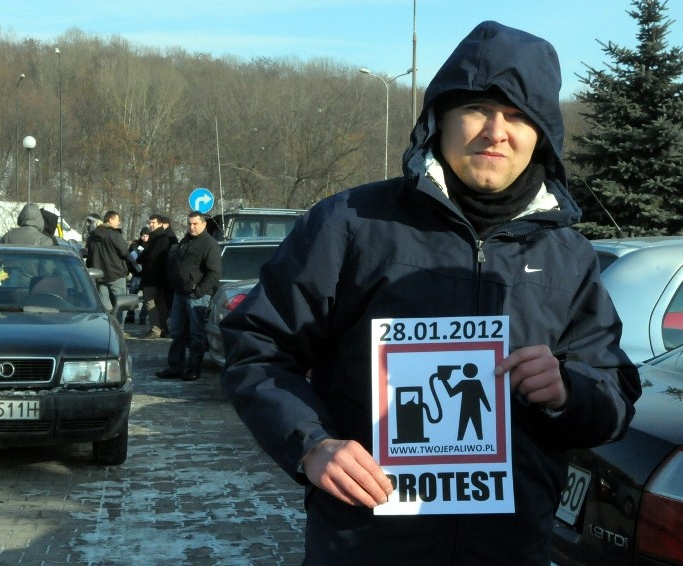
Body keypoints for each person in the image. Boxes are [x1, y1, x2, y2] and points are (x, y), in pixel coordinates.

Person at [219, 21, 641, 565]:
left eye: (517, 115)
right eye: (476, 110)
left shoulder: (569, 255)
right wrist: (311, 444)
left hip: (511, 550)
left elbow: (613, 396)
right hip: (365, 545)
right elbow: (257, 347)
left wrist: (567, 393)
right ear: (438, 119)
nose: (496, 132)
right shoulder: (350, 224)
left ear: (542, 135)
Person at [156, 211, 221, 381]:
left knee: (195, 334)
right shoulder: (186, 240)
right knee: (177, 332)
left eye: (195, 224)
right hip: (180, 293)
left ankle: (193, 369)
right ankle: (175, 367)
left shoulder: (209, 244)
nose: (192, 227)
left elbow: (214, 274)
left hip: (197, 296)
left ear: (204, 224)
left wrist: (198, 291)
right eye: (189, 224)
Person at [86, 210, 131, 325]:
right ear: (110, 220)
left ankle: (103, 326)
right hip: (116, 273)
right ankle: (119, 328)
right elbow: (124, 252)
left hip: (99, 274)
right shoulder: (114, 234)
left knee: (103, 304)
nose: (119, 222)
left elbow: (89, 253)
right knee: (121, 303)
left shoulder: (93, 235)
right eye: (117, 220)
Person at [137, 214, 176, 339]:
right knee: (160, 303)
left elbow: (150, 258)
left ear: (160, 223)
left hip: (153, 277)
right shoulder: (160, 238)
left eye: (153, 222)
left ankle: (155, 329)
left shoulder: (159, 238)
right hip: (160, 278)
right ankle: (162, 328)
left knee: (150, 302)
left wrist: (141, 257)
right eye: (150, 223)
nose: (151, 225)